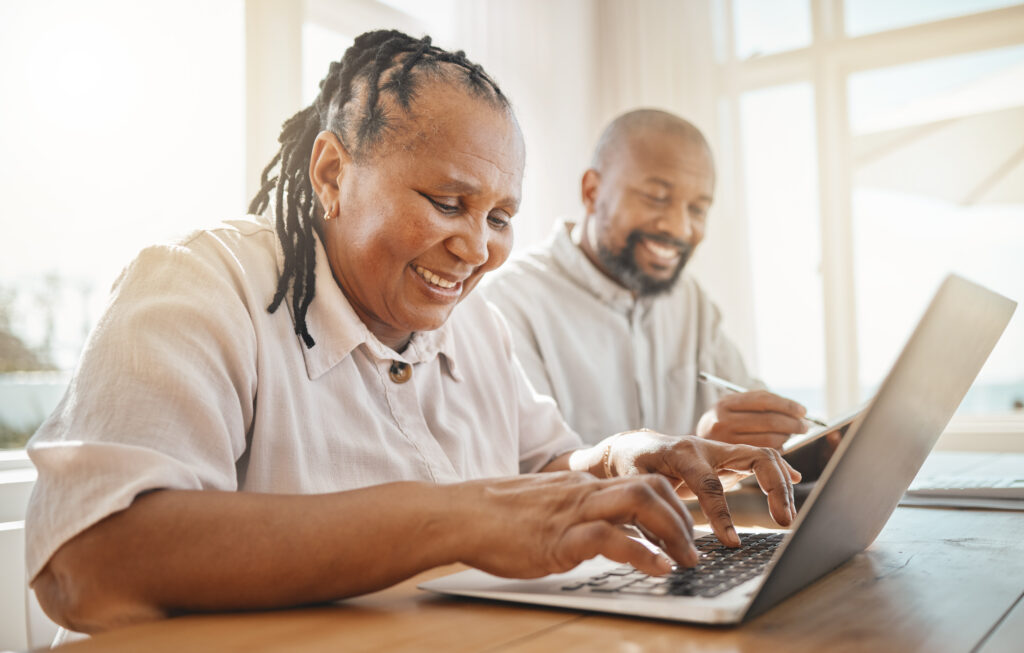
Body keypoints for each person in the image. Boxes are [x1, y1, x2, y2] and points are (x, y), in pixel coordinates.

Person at [25, 32, 799, 634]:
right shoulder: (204, 283)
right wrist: (455, 514)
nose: (476, 247)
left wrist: (629, 453)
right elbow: (88, 562)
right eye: (446, 201)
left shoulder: (475, 327)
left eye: (500, 217)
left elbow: (546, 468)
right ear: (331, 173)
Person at [482, 109, 811, 448]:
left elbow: (751, 409)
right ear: (592, 191)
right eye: (656, 198)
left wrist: (804, 444)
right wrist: (697, 452)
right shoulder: (507, 304)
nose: (679, 228)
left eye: (697, 209)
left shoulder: (689, 301)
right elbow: (535, 472)